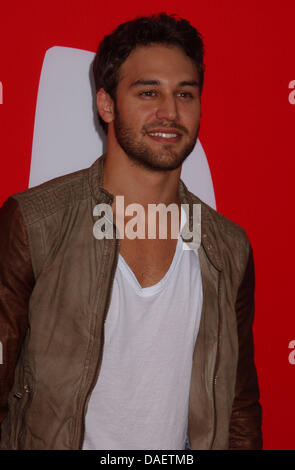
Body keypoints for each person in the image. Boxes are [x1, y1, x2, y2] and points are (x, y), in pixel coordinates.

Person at [0, 13, 262, 450]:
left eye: (185, 93)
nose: (170, 112)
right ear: (106, 104)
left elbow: (237, 406)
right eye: (148, 92)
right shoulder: (34, 224)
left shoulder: (227, 248)